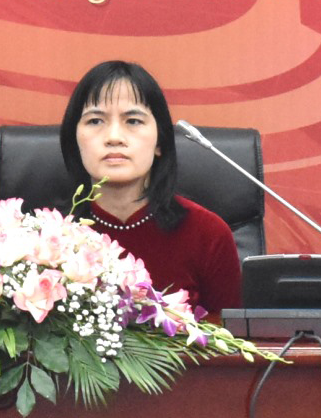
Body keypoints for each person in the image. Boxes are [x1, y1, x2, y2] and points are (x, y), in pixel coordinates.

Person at [57, 61, 242, 311]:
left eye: (133, 121)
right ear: (74, 140)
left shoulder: (207, 235)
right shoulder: (48, 239)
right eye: (95, 121)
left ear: (160, 142)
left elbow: (233, 341)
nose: (114, 137)